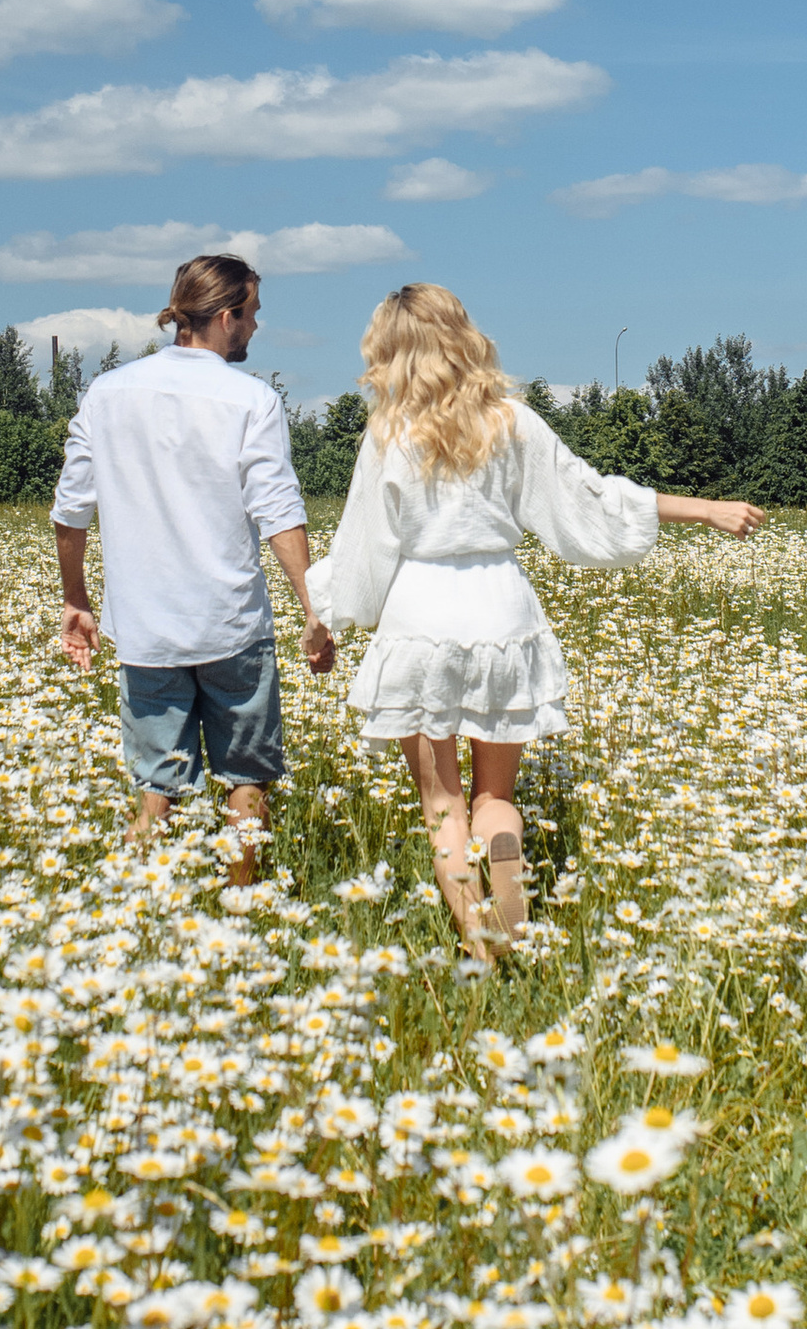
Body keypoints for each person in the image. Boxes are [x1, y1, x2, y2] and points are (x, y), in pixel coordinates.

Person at [307, 282, 762, 964]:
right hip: (502, 609)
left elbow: (364, 547)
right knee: (495, 797)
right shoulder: (513, 422)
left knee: (441, 806)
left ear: (390, 355)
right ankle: (504, 852)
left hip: (420, 614)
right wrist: (704, 508)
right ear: (462, 338)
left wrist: (328, 619)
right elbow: (590, 500)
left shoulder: (388, 437)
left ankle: (481, 947)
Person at [52, 253, 336, 884]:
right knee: (246, 780)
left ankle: (146, 908)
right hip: (231, 625)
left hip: (145, 629)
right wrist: (314, 611)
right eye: (254, 314)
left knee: (156, 785)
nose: (257, 327)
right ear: (226, 316)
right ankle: (245, 907)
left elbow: (70, 512)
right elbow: (279, 513)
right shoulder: (251, 399)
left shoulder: (107, 394)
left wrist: (78, 600)